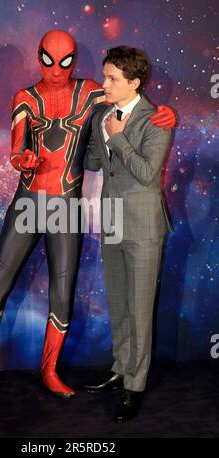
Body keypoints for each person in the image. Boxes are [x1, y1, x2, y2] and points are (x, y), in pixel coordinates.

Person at [0, 31, 176, 403]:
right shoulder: (26, 98)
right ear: (38, 57)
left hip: (65, 205)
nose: (55, 70)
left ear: (74, 60)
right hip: (28, 201)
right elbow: (17, 148)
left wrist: (163, 111)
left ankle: (49, 371)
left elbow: (131, 100)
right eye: (47, 60)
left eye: (64, 61)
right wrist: (22, 159)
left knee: (61, 294)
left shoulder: (93, 92)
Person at [84, 45, 173, 422]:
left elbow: (147, 173)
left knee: (139, 310)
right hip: (113, 219)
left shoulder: (157, 120)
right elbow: (91, 158)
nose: (103, 83)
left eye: (112, 79)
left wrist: (118, 137)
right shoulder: (101, 114)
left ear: (134, 82)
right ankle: (120, 369)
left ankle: (135, 387)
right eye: (104, 76)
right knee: (119, 304)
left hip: (143, 225)